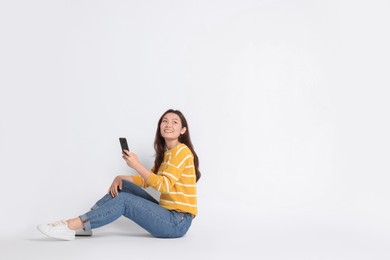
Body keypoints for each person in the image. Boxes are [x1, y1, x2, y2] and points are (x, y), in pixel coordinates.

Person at [37, 109, 201, 240]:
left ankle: (70, 225)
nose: (168, 124)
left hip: (177, 222)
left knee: (124, 201)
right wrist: (121, 177)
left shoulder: (182, 151)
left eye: (174, 122)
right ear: (159, 126)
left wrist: (136, 165)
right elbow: (147, 181)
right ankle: (84, 226)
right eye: (164, 121)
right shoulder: (167, 153)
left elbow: (163, 185)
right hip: (169, 215)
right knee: (124, 187)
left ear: (183, 130)